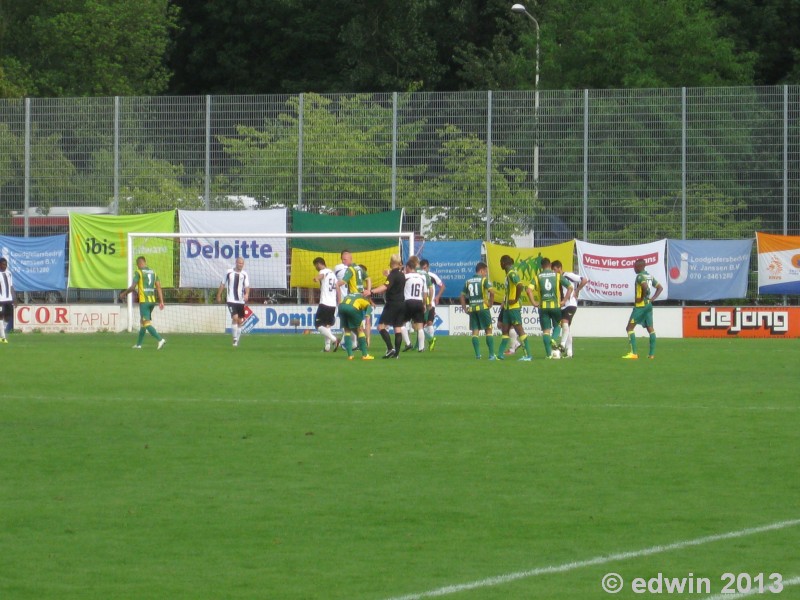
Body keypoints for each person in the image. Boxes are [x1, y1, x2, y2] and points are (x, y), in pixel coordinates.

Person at [529, 257, 572, 359]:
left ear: (541, 266)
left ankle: (549, 355)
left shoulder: (537, 276)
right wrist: (564, 300)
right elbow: (570, 287)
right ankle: (553, 339)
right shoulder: (557, 276)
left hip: (543, 307)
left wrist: (534, 302)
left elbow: (528, 290)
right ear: (550, 265)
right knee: (558, 325)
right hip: (555, 306)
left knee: (545, 331)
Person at [119, 255, 166, 350]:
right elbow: (159, 287)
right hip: (152, 301)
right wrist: (161, 301)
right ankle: (138, 344)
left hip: (144, 301)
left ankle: (160, 339)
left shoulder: (139, 272)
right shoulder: (154, 273)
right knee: (142, 322)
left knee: (146, 323)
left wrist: (124, 293)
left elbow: (133, 287)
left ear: (140, 263)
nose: (137, 267)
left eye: (137, 265)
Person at [622, 258, 663, 359]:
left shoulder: (640, 277)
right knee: (650, 328)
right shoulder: (649, 276)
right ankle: (651, 355)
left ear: (640, 267)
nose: (634, 268)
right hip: (648, 305)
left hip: (640, 306)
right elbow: (660, 287)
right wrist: (652, 298)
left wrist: (641, 298)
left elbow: (645, 287)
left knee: (629, 328)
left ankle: (634, 353)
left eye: (635, 267)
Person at [366, 253, 405, 358]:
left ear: (391, 262)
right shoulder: (401, 275)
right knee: (397, 328)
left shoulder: (392, 275)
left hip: (392, 304)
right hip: (402, 303)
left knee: (380, 326)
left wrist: (371, 291)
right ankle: (396, 354)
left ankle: (390, 348)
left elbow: (385, 286)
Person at [497, 255, 535, 360]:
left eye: (500, 262)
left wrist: (515, 299)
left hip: (514, 308)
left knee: (519, 330)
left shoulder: (512, 273)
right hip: (508, 308)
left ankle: (528, 355)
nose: (500, 264)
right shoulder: (508, 274)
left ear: (504, 263)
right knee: (505, 330)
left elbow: (520, 285)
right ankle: (500, 355)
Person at [460, 261, 496, 359]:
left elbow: (462, 296)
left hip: (472, 309)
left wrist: (464, 308)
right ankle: (492, 355)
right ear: (481, 270)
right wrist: (490, 303)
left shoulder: (468, 281)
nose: (486, 274)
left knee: (475, 332)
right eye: (485, 272)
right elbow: (492, 292)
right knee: (488, 330)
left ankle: (478, 355)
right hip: (483, 308)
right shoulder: (484, 280)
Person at [552, 260, 588, 358]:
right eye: (553, 270)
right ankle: (569, 352)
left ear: (560, 268)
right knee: (566, 328)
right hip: (562, 305)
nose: (554, 272)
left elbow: (584, 280)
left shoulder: (568, 275)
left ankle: (562, 345)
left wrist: (576, 290)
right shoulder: (556, 279)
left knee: (564, 323)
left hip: (571, 304)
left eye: (555, 269)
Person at [216, 257, 250, 347]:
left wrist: (247, 294)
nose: (240, 265)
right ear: (236, 263)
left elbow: (247, 286)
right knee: (235, 318)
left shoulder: (244, 274)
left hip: (240, 300)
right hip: (231, 299)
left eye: (242, 263)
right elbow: (223, 284)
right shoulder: (229, 272)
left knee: (240, 321)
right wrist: (219, 295)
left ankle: (237, 340)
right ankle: (234, 339)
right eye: (239, 263)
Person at [312, 257, 340, 352]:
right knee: (327, 326)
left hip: (324, 303)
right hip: (333, 304)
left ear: (319, 264)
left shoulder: (323, 271)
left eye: (315, 265)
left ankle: (334, 340)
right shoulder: (333, 274)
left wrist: (316, 278)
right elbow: (337, 287)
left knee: (318, 325)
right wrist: (339, 301)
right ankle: (327, 347)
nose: (316, 267)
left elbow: (321, 276)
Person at [337, 292, 375, 360]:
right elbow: (367, 319)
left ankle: (350, 355)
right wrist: (367, 337)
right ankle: (365, 355)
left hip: (341, 307)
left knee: (347, 331)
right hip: (352, 308)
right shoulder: (366, 302)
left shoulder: (353, 294)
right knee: (360, 330)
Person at [404, 258, 429, 352]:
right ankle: (421, 348)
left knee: (401, 324)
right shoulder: (422, 277)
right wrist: (424, 304)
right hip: (419, 302)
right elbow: (425, 292)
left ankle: (408, 343)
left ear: (408, 267)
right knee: (420, 326)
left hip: (408, 302)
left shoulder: (406, 277)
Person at [419, 258, 445, 351]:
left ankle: (431, 343)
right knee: (420, 325)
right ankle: (425, 342)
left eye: (425, 268)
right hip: (420, 303)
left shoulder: (432, 276)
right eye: (422, 268)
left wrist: (437, 296)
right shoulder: (419, 275)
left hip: (430, 304)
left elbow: (442, 286)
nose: (424, 270)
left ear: (428, 267)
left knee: (429, 322)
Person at [0, 257, 15, 343]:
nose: (5, 266)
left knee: (8, 317)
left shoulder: (9, 273)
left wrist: (14, 298)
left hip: (9, 299)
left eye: (6, 264)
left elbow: (11, 286)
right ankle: (3, 337)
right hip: (1, 300)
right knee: (1, 317)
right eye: (3, 264)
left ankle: (1, 332)